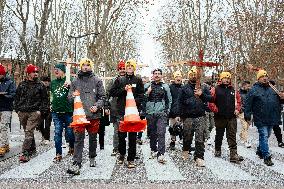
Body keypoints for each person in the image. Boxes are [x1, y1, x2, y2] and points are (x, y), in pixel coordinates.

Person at [67, 58, 105, 175]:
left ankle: (92, 156)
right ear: (80, 66)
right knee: (78, 140)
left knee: (93, 138)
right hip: (79, 117)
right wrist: (73, 97)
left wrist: (97, 106)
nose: (86, 67)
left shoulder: (97, 80)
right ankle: (76, 163)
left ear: (91, 66)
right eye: (83, 65)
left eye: (88, 65)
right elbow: (69, 98)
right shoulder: (75, 81)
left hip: (93, 115)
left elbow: (103, 97)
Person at [109, 59, 144, 168]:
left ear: (134, 68)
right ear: (125, 68)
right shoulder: (120, 80)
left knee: (132, 136)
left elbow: (142, 95)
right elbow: (112, 92)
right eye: (127, 66)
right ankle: (122, 154)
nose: (129, 67)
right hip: (121, 112)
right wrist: (123, 90)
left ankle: (131, 158)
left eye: (131, 66)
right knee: (121, 135)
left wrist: (134, 101)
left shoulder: (138, 80)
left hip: (133, 113)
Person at [245, 71, 284, 166]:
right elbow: (248, 103)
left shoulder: (273, 89)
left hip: (272, 117)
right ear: (258, 79)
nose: (265, 78)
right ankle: (267, 156)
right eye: (262, 76)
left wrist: (282, 98)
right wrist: (247, 115)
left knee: (267, 135)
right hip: (260, 117)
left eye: (266, 76)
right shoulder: (254, 90)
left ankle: (259, 150)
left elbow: (280, 101)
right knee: (264, 135)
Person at [176, 67, 213, 167]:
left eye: (195, 74)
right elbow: (179, 102)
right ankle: (186, 150)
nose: (193, 76)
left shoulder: (204, 87)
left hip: (200, 115)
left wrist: (202, 95)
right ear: (188, 75)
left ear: (198, 76)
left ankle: (199, 157)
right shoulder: (184, 88)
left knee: (200, 137)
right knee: (187, 136)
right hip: (187, 116)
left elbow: (211, 98)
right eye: (191, 74)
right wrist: (179, 115)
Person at [14, 64, 49, 162]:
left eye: (37, 72)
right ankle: (32, 148)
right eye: (34, 72)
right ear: (29, 73)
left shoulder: (40, 85)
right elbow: (16, 98)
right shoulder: (22, 84)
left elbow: (45, 100)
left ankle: (25, 153)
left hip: (34, 112)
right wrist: (17, 110)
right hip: (22, 111)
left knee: (28, 131)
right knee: (28, 131)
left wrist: (41, 111)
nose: (36, 74)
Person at [208, 71, 244, 164]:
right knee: (219, 134)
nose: (227, 80)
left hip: (231, 117)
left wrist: (237, 109)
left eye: (228, 78)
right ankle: (217, 149)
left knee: (232, 135)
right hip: (220, 117)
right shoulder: (215, 89)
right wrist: (216, 110)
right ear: (221, 79)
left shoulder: (234, 90)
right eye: (225, 78)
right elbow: (210, 102)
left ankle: (233, 154)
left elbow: (239, 101)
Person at [145, 68, 172, 164]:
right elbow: (142, 98)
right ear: (152, 75)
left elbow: (169, 99)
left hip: (161, 113)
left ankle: (161, 153)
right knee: (152, 133)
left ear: (161, 76)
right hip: (150, 113)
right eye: (155, 73)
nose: (157, 75)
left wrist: (167, 111)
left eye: (159, 74)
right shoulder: (147, 85)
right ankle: (153, 149)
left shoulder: (165, 86)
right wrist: (147, 93)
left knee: (161, 132)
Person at [50, 63, 75, 162]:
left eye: (58, 69)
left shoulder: (70, 81)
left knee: (69, 133)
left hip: (68, 112)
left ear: (63, 71)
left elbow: (76, 92)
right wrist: (51, 104)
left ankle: (72, 147)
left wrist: (71, 86)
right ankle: (58, 153)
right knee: (57, 133)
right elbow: (52, 95)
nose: (56, 71)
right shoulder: (53, 83)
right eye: (55, 69)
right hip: (56, 112)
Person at [107, 60, 126, 156]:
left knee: (129, 130)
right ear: (118, 70)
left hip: (128, 109)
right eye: (121, 69)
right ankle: (115, 148)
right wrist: (106, 106)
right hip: (115, 109)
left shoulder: (130, 80)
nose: (122, 70)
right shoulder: (113, 80)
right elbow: (108, 93)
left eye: (124, 68)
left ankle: (127, 149)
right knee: (116, 130)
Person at [0, 64, 16, 157]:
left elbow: (13, 95)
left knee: (3, 127)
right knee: (2, 128)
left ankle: (2, 147)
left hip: (6, 108)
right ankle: (5, 144)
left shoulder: (10, 82)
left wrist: (4, 95)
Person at [168, 70, 183, 150]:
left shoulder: (184, 87)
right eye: (176, 77)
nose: (178, 78)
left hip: (182, 112)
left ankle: (182, 140)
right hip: (173, 111)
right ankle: (172, 141)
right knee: (173, 127)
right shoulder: (170, 87)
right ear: (174, 78)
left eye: (179, 77)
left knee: (181, 127)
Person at [38, 76, 52, 145]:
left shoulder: (51, 89)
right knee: (39, 124)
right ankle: (43, 135)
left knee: (47, 125)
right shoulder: (39, 88)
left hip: (49, 109)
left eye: (47, 82)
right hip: (41, 109)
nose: (45, 83)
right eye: (44, 82)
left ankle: (47, 138)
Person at [239, 80, 251, 148]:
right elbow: (238, 102)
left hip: (248, 111)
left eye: (249, 86)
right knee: (244, 126)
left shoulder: (250, 92)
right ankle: (246, 141)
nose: (249, 87)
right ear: (244, 86)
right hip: (242, 111)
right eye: (248, 86)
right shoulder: (239, 93)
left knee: (247, 126)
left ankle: (241, 135)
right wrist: (240, 109)